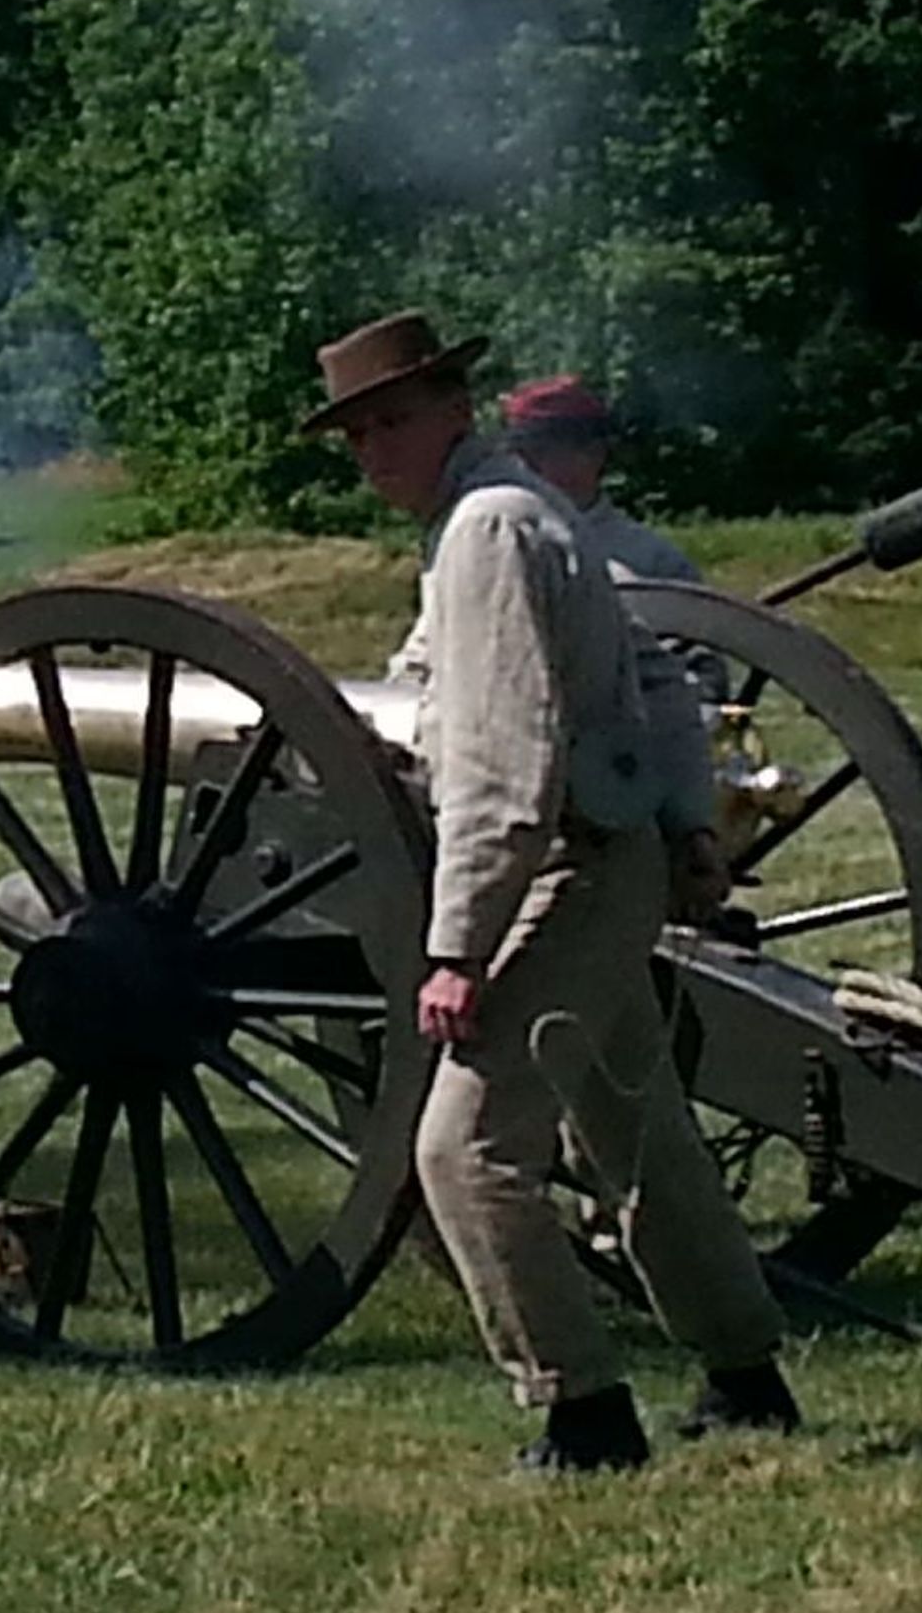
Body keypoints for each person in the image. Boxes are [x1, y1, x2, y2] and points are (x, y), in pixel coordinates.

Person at [311, 311, 796, 1473]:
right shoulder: (521, 516)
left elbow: (500, 767)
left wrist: (458, 949)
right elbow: (657, 682)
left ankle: (582, 1411)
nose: (375, 450)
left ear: (454, 412)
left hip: (559, 867)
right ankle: (745, 1373)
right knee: (636, 1129)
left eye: (394, 421)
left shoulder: (488, 532)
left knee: (461, 1149)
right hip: (605, 851)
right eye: (357, 433)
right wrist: (685, 825)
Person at [498, 374, 702, 584]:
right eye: (517, 453)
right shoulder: (495, 543)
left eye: (540, 451)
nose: (525, 465)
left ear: (595, 454)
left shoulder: (654, 562)